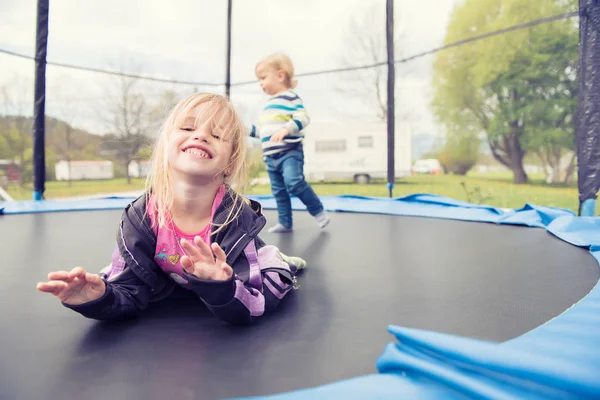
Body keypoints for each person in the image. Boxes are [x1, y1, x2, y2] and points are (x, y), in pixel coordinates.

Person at [36, 93, 306, 325]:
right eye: (188, 129)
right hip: (171, 282)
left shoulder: (237, 220)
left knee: (275, 273)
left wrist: (221, 286)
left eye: (216, 134)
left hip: (235, 274)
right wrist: (97, 299)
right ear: (166, 147)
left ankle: (284, 260)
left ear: (231, 164)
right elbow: (128, 290)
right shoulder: (140, 218)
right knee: (109, 275)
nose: (200, 135)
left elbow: (254, 304)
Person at [249, 53, 330, 233]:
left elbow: (303, 117)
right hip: (271, 158)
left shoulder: (290, 98)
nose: (260, 83)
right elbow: (262, 131)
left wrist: (286, 129)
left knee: (293, 182)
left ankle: (319, 212)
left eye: (263, 78)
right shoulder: (268, 106)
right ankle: (285, 223)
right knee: (279, 191)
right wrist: (245, 130)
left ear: (280, 75)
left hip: (289, 152)